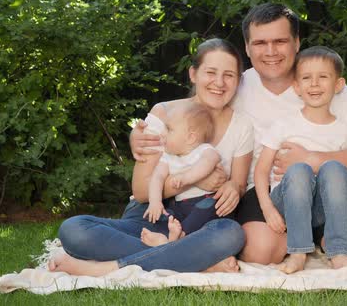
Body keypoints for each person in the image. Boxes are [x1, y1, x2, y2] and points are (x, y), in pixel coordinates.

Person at [48, 38, 253, 276]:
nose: (219, 82)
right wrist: (196, 180)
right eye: (210, 72)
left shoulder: (242, 125)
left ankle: (109, 268)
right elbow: (142, 190)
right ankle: (196, 261)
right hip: (150, 217)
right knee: (74, 229)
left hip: (198, 223)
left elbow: (238, 184)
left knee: (231, 233)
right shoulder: (163, 113)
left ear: (238, 81)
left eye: (229, 75)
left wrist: (232, 188)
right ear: (193, 74)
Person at [230, 3, 347, 265]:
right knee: (261, 252)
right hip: (271, 192)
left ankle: (323, 239)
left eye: (280, 41)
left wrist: (312, 159)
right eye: (260, 43)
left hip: (333, 189)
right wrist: (152, 124)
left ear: (297, 42)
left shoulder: (325, 84)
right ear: (247, 47)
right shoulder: (236, 87)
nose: (270, 52)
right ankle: (298, 242)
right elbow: (194, 115)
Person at [254, 46, 347, 274]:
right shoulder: (283, 125)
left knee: (335, 166)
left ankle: (339, 254)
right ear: (297, 86)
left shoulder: (344, 130)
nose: (314, 84)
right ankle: (298, 252)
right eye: (306, 78)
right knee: (300, 170)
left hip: (324, 206)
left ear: (338, 84)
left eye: (323, 77)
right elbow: (261, 170)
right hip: (287, 201)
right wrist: (267, 209)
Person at [141, 102, 223, 246]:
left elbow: (208, 163)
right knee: (165, 215)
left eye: (169, 129)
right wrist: (155, 202)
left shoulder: (204, 150)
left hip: (204, 201)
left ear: (190, 138)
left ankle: (178, 237)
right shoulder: (168, 157)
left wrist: (186, 178)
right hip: (180, 207)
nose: (163, 133)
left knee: (209, 208)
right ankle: (169, 237)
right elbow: (157, 177)